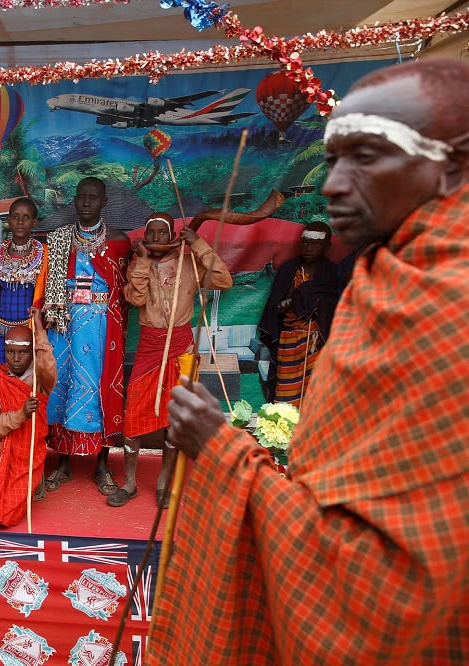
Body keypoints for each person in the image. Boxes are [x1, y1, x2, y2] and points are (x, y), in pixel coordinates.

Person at [150, 59, 469, 664]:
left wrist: (221, 450)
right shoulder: (387, 278)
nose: (334, 185)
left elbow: (389, 584)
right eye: (333, 160)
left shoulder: (450, 309)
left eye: (366, 157)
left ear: (453, 163)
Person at [113, 213, 232, 509]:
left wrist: (199, 244)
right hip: (150, 347)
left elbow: (223, 280)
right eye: (150, 232)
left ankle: (164, 481)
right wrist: (141, 261)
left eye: (160, 232)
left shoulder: (188, 263)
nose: (154, 238)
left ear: (172, 236)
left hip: (181, 347)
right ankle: (129, 483)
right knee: (133, 416)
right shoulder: (136, 264)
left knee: (175, 416)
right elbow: (135, 299)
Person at [42, 177, 130, 496]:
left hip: (100, 326)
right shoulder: (61, 239)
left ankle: (102, 466)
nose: (87, 202)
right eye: (82, 197)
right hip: (64, 325)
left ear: (104, 201)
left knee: (98, 389)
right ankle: (63, 464)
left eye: (94, 197)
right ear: (75, 201)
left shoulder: (119, 241)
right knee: (63, 387)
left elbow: (127, 290)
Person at [0, 315, 57, 528]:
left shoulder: (40, 380)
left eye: (23, 352)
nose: (15, 358)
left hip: (29, 451)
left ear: (32, 353)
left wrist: (39, 330)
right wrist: (20, 414)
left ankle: (31, 484)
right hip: (0, 448)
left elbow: (47, 364)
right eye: (10, 352)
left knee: (4, 516)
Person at [257, 221, 339, 406]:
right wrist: (290, 303)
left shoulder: (332, 273)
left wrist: (308, 300)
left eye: (316, 244)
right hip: (289, 342)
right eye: (305, 242)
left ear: (327, 247)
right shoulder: (288, 270)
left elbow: (336, 308)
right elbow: (273, 309)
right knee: (286, 394)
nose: (309, 248)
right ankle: (286, 430)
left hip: (317, 343)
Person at [0, 197, 47, 363]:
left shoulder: (44, 255)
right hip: (1, 330)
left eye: (26, 217)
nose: (20, 222)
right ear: (8, 221)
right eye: (15, 217)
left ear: (34, 222)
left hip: (31, 328)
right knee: (1, 375)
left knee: (28, 380)